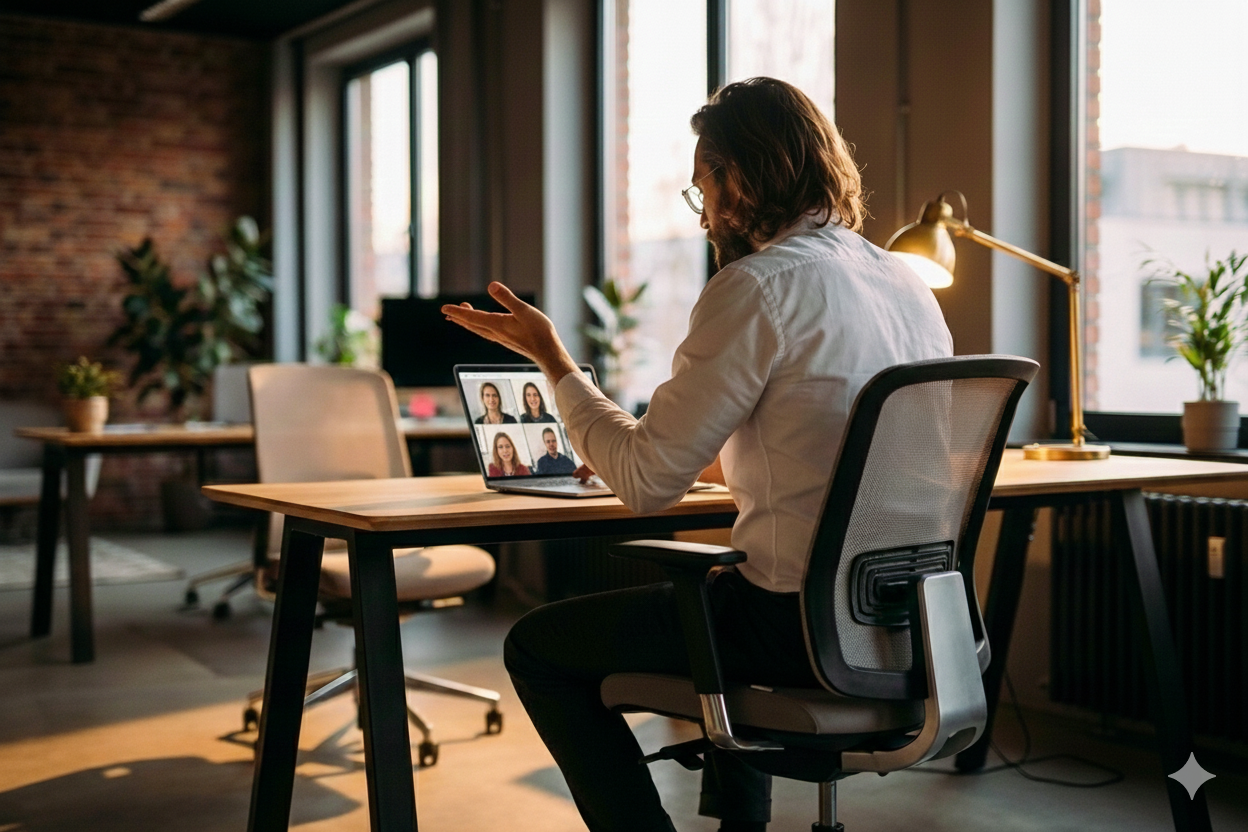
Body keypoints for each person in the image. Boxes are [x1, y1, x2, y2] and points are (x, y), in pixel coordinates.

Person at [444, 77, 953, 832]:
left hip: (794, 629)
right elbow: (825, 440)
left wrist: (554, 362)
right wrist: (696, 453)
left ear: (738, 175)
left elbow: (646, 484)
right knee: (728, 589)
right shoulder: (907, 285)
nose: (706, 211)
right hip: (913, 621)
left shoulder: (755, 287)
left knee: (539, 648)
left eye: (702, 186)